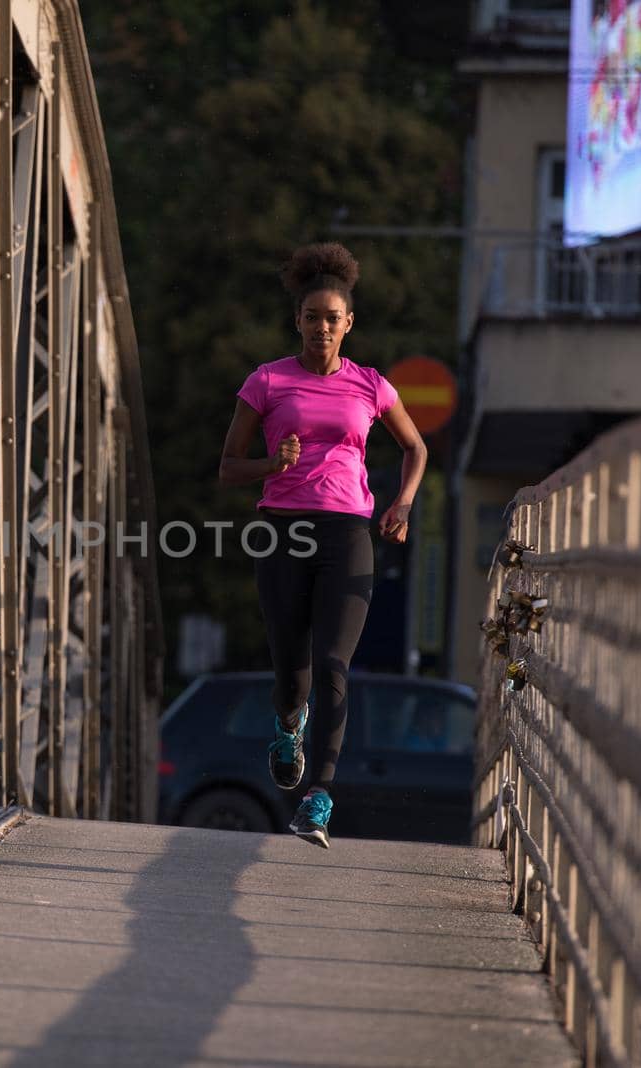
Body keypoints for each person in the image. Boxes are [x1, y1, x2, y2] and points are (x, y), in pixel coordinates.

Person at [218, 243, 427, 848]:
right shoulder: (267, 380)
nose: (322, 327)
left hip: (347, 530)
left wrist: (403, 503)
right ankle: (289, 726)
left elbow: (415, 448)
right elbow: (228, 466)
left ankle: (320, 797)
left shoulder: (371, 385)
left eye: (333, 318)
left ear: (348, 324)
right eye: (312, 317)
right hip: (282, 527)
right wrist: (269, 463)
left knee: (335, 662)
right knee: (293, 665)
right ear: (299, 321)